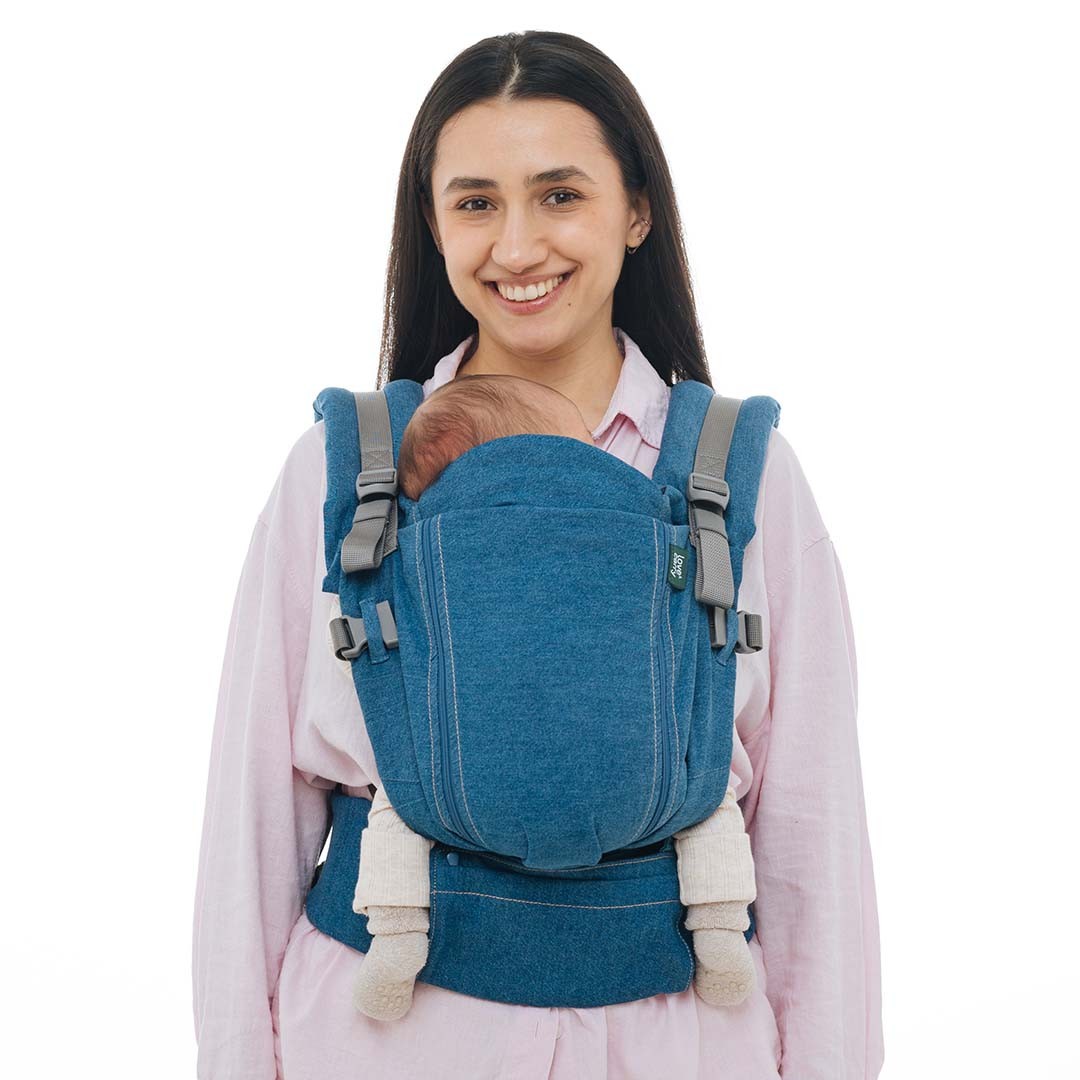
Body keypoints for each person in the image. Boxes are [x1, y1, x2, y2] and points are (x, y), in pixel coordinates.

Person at [192, 29, 884, 1079]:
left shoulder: (745, 480)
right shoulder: (342, 473)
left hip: (679, 1044)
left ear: (637, 210)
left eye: (560, 195)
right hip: (386, 1043)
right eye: (476, 202)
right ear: (433, 224)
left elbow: (810, 835)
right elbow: (251, 817)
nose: (516, 247)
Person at [349, 372, 759, 1022]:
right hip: (655, 816)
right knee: (711, 799)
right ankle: (720, 925)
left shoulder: (378, 499)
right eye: (578, 446)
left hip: (447, 813)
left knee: (396, 806)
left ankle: (396, 934)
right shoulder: (705, 489)